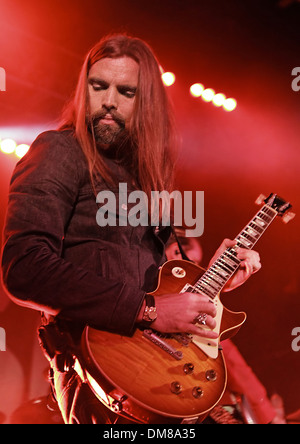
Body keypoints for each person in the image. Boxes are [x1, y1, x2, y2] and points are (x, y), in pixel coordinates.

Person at [1, 34, 261, 424]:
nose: (108, 100)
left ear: (148, 103)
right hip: (102, 383)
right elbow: (24, 268)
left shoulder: (145, 176)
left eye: (126, 91)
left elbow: (146, 282)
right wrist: (148, 309)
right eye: (98, 86)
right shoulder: (59, 151)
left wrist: (216, 280)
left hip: (154, 376)